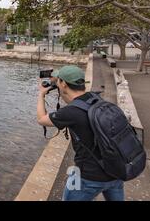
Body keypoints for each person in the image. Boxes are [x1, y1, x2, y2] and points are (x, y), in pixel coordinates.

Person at [36, 65, 125, 201]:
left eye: (59, 81)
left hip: (88, 177)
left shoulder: (70, 113)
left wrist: (41, 94)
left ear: (64, 84)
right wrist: (59, 82)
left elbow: (42, 119)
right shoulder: (96, 99)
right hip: (116, 171)